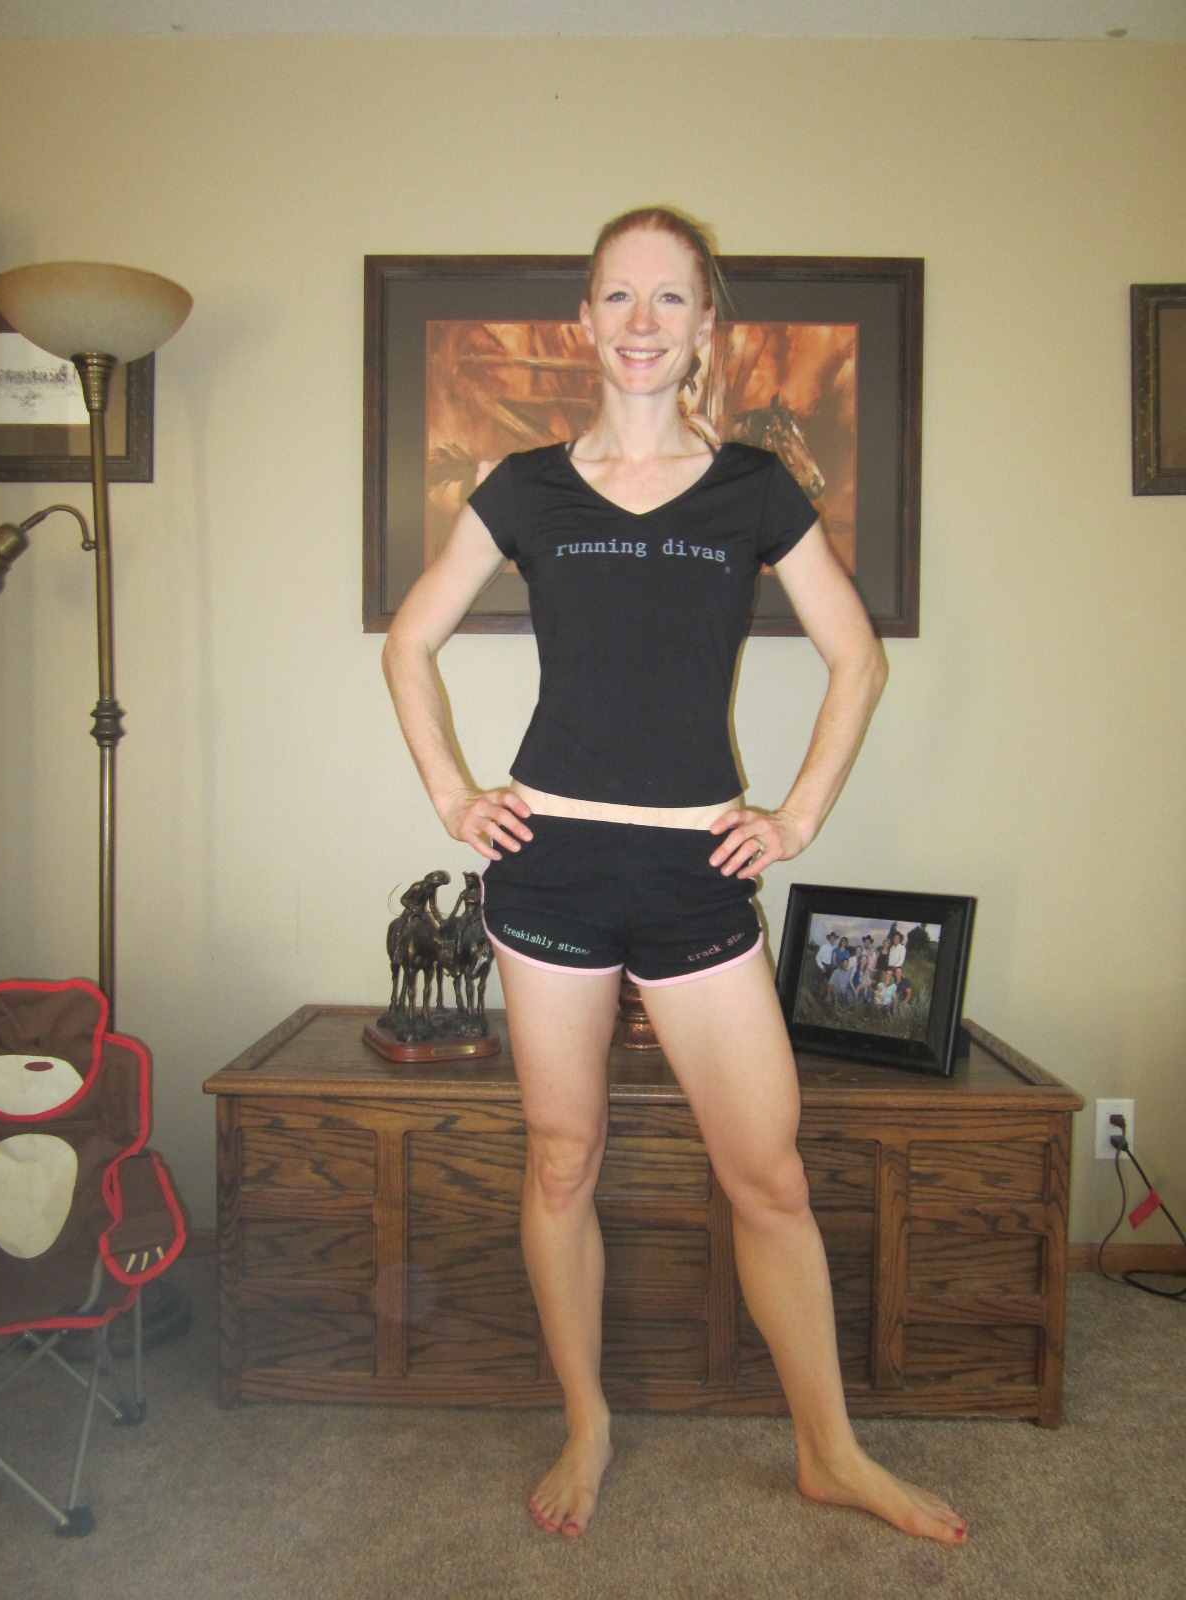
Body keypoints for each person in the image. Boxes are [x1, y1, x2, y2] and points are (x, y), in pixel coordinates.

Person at [382, 206, 967, 1546]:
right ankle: (587, 1418)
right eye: (618, 296)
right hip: (551, 871)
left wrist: (796, 816)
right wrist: (455, 795)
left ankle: (830, 1451)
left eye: (669, 299)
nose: (641, 322)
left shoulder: (753, 490)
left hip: (697, 871)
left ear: (707, 327)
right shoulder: (523, 486)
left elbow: (859, 658)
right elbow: (407, 647)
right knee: (562, 1160)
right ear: (584, 321)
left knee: (769, 1177)